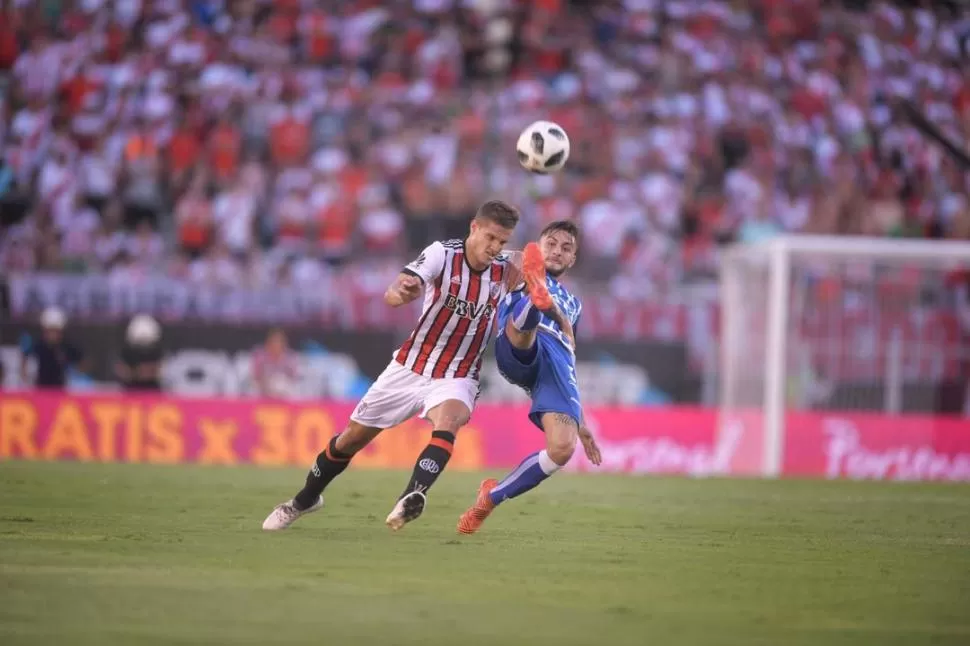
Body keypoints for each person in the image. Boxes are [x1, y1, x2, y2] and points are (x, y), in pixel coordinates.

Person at [263, 200, 521, 532]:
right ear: (474, 227)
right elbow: (400, 285)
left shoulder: (506, 270)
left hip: (458, 372)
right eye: (490, 238)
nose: (495, 247)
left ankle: (412, 496)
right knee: (351, 440)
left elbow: (534, 270)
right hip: (410, 365)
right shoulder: (444, 254)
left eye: (502, 241)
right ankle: (304, 500)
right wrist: (401, 292)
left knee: (450, 420)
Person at [457, 220, 602, 535]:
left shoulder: (575, 305)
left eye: (566, 248)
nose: (557, 251)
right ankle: (536, 301)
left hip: (555, 364)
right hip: (518, 345)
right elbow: (475, 253)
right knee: (526, 327)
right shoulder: (516, 262)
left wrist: (579, 417)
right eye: (551, 243)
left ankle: (490, 498)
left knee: (562, 449)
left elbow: (569, 356)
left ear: (573, 259)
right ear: (539, 244)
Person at [19, 307, 85, 389]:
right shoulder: (38, 344)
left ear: (61, 331)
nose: (52, 334)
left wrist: (75, 374)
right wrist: (24, 375)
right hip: (40, 388)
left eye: (55, 331)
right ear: (45, 330)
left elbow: (82, 361)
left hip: (60, 389)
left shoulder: (67, 345)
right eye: (50, 331)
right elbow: (25, 356)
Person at [116, 314, 163, 391]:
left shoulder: (157, 353)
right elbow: (122, 370)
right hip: (130, 391)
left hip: (153, 391)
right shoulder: (126, 354)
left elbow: (155, 372)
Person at [251, 328, 298, 399]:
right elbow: (256, 377)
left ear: (284, 344)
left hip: (284, 389)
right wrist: (265, 384)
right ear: (268, 343)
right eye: (273, 342)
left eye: (279, 342)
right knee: (252, 390)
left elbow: (293, 378)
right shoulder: (260, 356)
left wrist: (281, 383)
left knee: (290, 389)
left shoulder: (290, 358)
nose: (276, 345)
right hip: (264, 388)